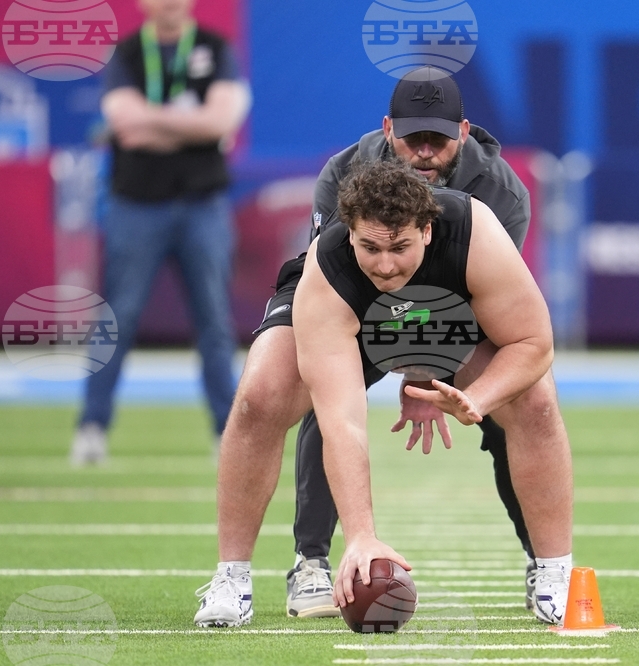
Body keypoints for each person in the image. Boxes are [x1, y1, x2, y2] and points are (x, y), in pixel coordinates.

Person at [195, 66, 536, 624]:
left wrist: (428, 374)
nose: (424, 151)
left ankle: (543, 561)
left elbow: (490, 305)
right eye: (412, 136)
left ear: (465, 131)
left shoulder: (501, 192)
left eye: (438, 138)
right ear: (387, 128)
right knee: (275, 392)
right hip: (346, 298)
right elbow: (338, 290)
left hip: (453, 308)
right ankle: (289, 564)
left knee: (520, 399)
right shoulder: (344, 172)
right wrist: (392, 366)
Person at [69, 0, 251, 465]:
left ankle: (224, 433)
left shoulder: (214, 48)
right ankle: (92, 426)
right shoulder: (127, 53)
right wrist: (195, 128)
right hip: (136, 206)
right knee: (118, 319)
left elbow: (221, 120)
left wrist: (154, 120)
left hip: (202, 205)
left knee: (213, 322)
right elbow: (125, 128)